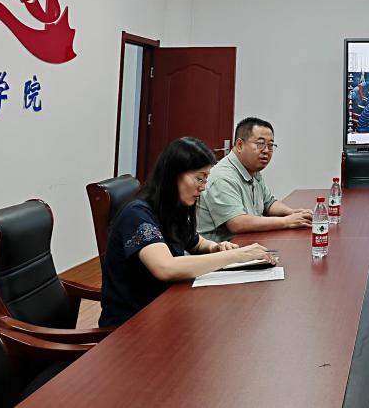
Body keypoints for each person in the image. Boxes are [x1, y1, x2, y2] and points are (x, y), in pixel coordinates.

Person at [100, 137, 276, 326]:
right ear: (173, 175)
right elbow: (165, 267)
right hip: (132, 324)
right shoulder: (137, 215)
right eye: (199, 178)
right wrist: (236, 256)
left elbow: (195, 242)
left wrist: (215, 247)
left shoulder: (171, 208)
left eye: (206, 179)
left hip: (165, 309)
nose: (203, 186)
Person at [196, 117, 313, 242]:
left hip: (248, 242)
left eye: (270, 145)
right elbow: (237, 223)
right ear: (240, 145)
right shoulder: (222, 177)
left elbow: (269, 203)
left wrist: (292, 213)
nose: (266, 151)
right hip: (221, 249)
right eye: (260, 144)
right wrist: (287, 221)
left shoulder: (252, 170)